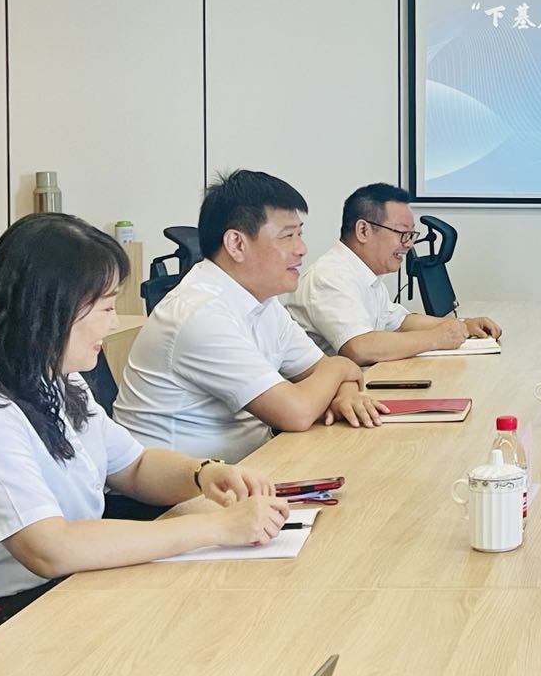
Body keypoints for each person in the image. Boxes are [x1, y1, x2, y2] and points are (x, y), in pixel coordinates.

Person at [0, 214, 289, 676]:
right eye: (105, 306)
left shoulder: (56, 379)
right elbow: (49, 548)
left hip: (55, 595)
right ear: (50, 308)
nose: (113, 322)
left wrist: (204, 474)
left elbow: (134, 467)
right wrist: (216, 528)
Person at [115, 170, 387, 464]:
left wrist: (345, 392)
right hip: (181, 487)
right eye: (288, 236)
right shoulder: (200, 313)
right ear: (236, 244)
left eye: (300, 234)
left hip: (251, 465)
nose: (301, 249)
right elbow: (296, 412)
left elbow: (319, 370)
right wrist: (341, 366)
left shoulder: (262, 301)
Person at [286, 182, 501, 363]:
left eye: (411, 235)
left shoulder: (365, 274)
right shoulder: (330, 276)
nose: (409, 244)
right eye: (402, 233)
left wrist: (464, 326)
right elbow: (360, 348)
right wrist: (437, 338)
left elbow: (400, 322)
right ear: (363, 230)